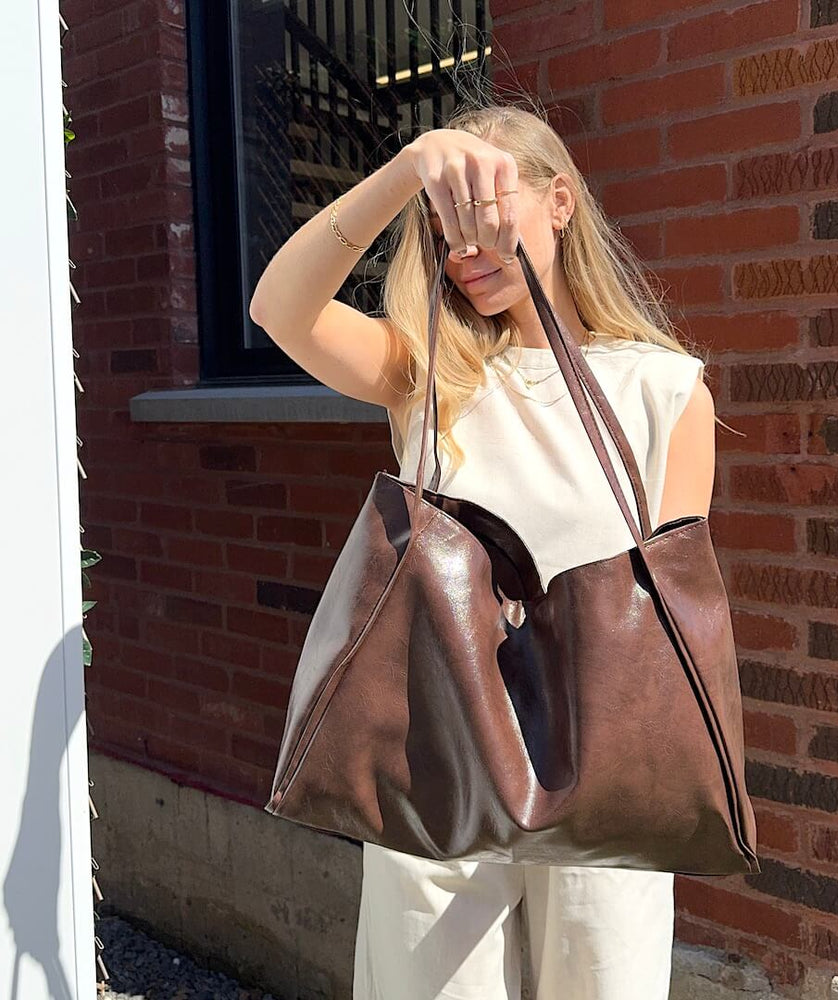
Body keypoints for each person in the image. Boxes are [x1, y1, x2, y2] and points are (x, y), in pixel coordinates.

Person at [249, 98, 717, 1000]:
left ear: (561, 203)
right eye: (444, 229)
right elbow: (279, 306)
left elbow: (668, 616)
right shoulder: (428, 375)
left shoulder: (663, 390)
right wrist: (409, 169)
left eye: (488, 219)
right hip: (437, 764)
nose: (465, 250)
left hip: (603, 768)